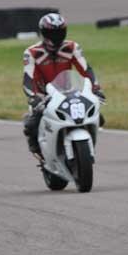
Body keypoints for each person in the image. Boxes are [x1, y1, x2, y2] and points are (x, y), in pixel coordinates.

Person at [22, 13, 104, 156]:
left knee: (98, 117)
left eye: (59, 32)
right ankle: (40, 152)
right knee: (31, 125)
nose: (56, 37)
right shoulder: (32, 53)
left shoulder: (72, 47)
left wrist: (95, 88)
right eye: (52, 33)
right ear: (44, 33)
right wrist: (33, 97)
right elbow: (27, 79)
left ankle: (87, 147)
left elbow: (86, 69)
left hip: (69, 92)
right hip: (43, 97)